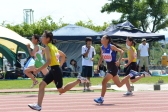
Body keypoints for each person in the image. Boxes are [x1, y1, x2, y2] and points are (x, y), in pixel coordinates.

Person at [28, 30, 89, 111]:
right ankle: (38, 105)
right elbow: (63, 55)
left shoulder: (48, 48)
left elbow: (49, 61)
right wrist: (59, 65)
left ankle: (79, 80)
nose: (41, 37)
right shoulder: (53, 47)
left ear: (48, 38)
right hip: (54, 69)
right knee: (42, 85)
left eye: (43, 36)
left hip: (55, 69)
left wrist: (38, 70)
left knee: (61, 90)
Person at [94, 35, 150, 104]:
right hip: (109, 67)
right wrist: (98, 65)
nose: (101, 39)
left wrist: (119, 61)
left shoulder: (111, 46)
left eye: (103, 38)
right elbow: (101, 57)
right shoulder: (102, 47)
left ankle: (101, 98)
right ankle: (131, 74)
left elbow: (122, 51)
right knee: (119, 84)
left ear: (107, 40)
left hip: (113, 67)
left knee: (104, 82)